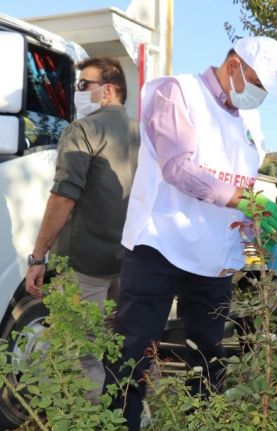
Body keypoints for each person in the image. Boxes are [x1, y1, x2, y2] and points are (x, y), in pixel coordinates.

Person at [104, 36, 277, 430]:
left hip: (214, 260)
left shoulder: (250, 121)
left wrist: (256, 228)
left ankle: (202, 423)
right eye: (258, 82)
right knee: (132, 354)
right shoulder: (178, 92)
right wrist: (243, 200)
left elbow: (242, 184)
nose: (260, 95)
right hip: (160, 246)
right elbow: (178, 167)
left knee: (209, 358)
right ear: (234, 65)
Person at [25, 57, 139, 403]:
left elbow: (63, 196)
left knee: (80, 355)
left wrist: (38, 255)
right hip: (129, 263)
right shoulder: (142, 133)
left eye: (83, 85)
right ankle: (134, 417)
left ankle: (85, 421)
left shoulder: (84, 130)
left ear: (108, 90)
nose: (77, 92)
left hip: (84, 265)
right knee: (125, 352)